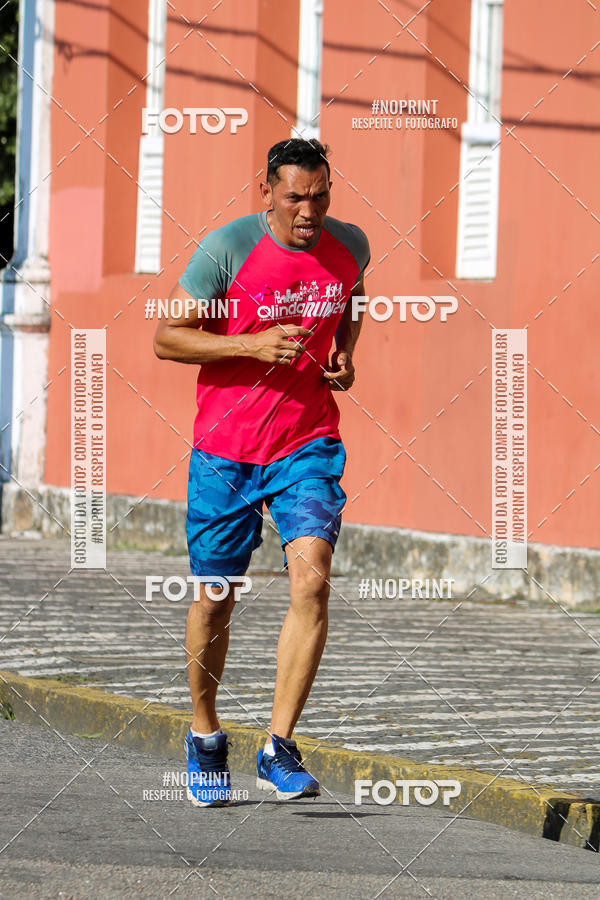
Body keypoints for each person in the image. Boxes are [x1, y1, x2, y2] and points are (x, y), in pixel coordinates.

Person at [154, 138, 370, 806]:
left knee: (313, 580)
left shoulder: (351, 243)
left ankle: (277, 745)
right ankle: (204, 734)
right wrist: (249, 343)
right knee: (216, 596)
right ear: (267, 190)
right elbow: (165, 337)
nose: (310, 211)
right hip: (226, 449)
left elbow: (354, 295)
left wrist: (343, 353)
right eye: (295, 196)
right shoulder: (227, 249)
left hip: (306, 444)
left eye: (321, 195)